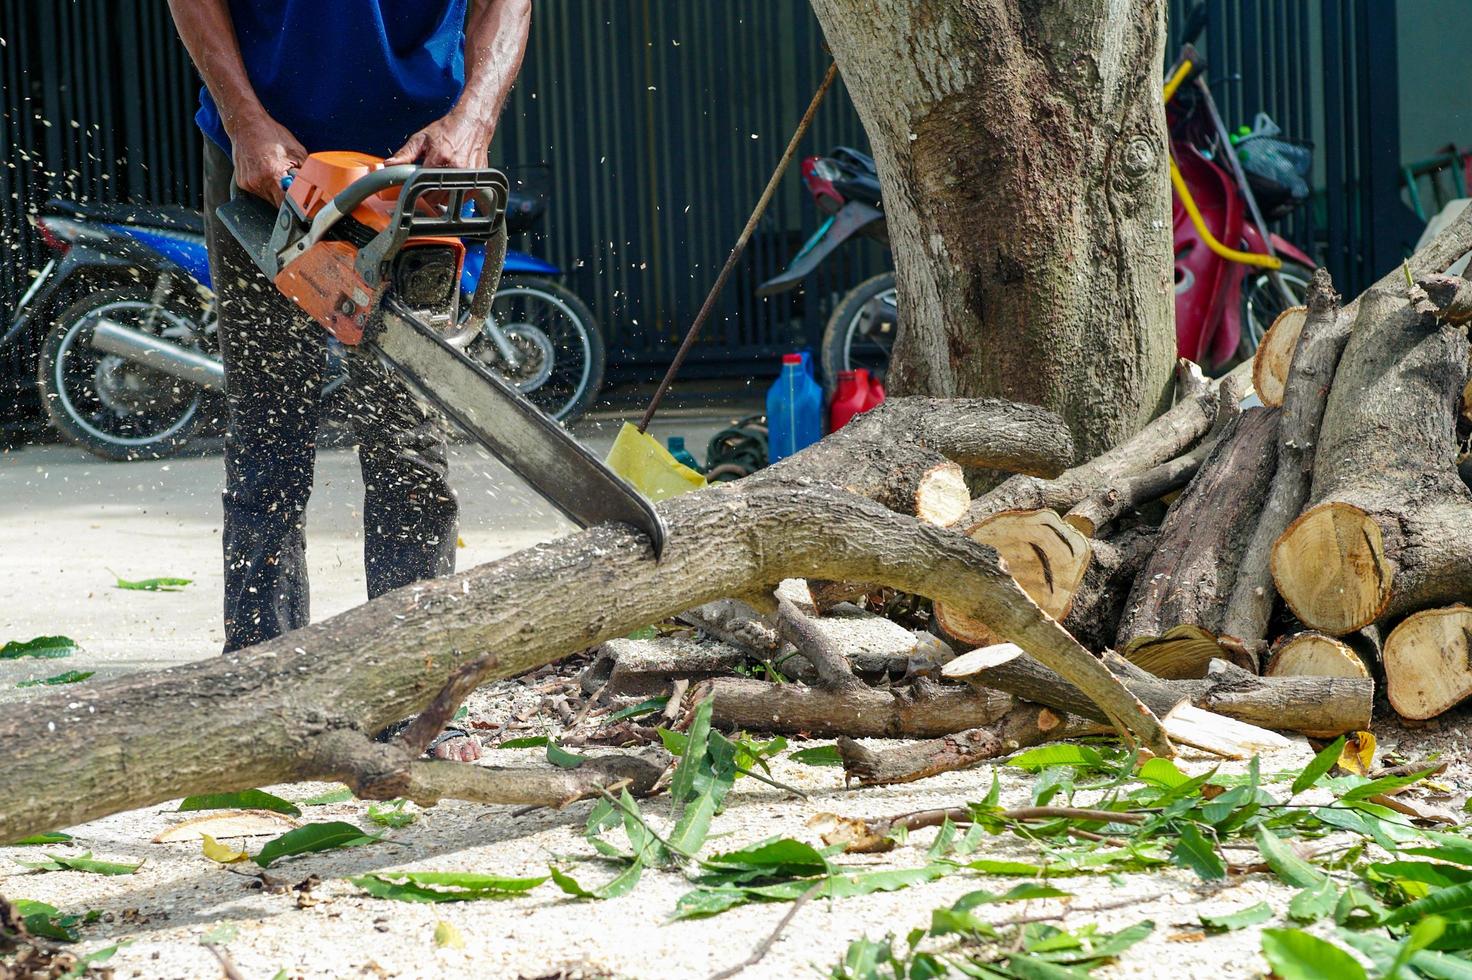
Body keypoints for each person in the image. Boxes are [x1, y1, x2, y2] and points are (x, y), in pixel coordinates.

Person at [167, 0, 531, 760]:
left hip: (417, 165)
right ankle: (260, 689)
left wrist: (473, 120)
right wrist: (243, 119)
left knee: (407, 438)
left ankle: (414, 688)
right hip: (268, 156)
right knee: (269, 426)